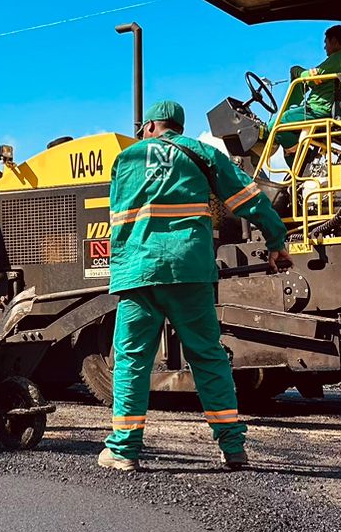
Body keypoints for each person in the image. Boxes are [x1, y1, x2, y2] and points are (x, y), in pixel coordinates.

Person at [100, 99, 292, 473]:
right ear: (178, 127)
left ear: (152, 126)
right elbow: (249, 198)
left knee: (132, 360)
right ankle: (233, 447)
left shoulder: (126, 158)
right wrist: (275, 242)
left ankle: (124, 450)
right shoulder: (202, 153)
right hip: (189, 268)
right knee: (207, 356)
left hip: (140, 271)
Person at [272, 25, 341, 159]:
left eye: (326, 43)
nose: (324, 47)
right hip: (327, 108)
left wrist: (299, 72)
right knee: (284, 134)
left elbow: (312, 79)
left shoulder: (339, 58)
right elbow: (316, 78)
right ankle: (298, 168)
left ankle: (297, 152)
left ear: (334, 41)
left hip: (318, 109)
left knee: (275, 126)